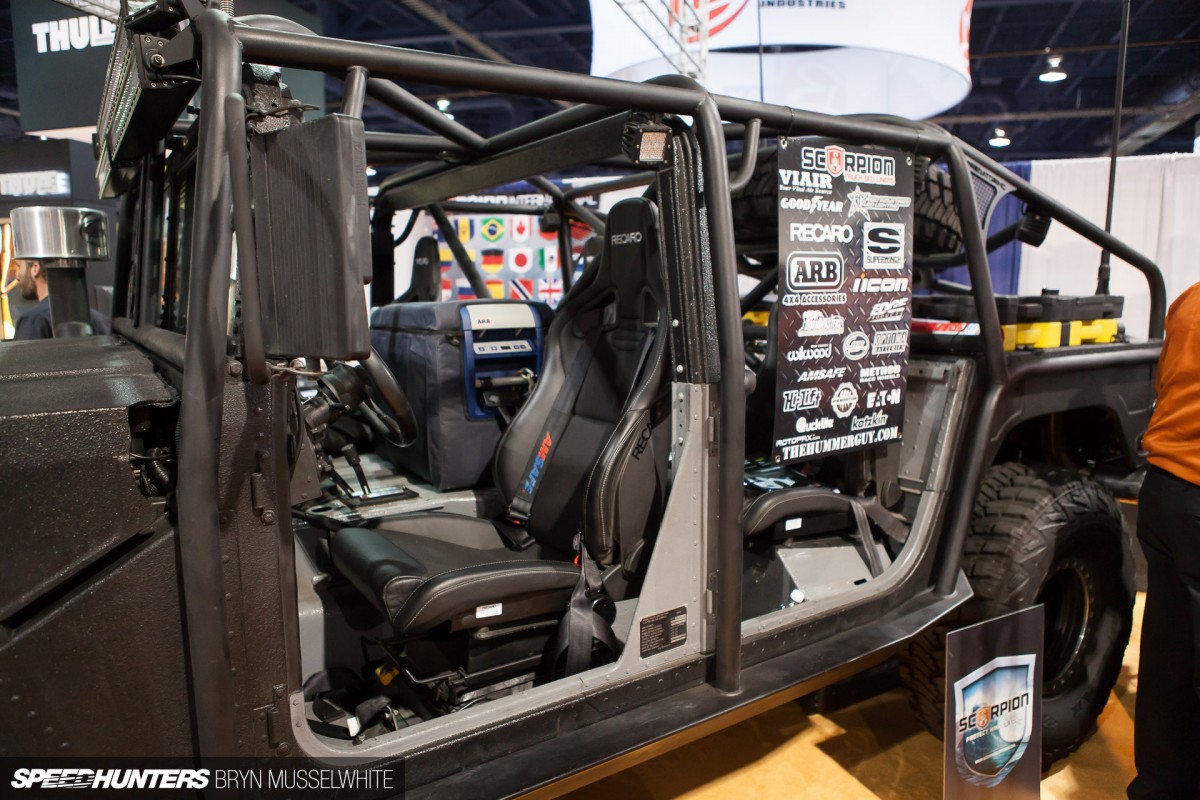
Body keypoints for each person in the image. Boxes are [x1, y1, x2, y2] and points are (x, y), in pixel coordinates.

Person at [1128, 282, 1200, 800]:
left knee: (1169, 655)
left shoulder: (1191, 299)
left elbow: (1167, 381)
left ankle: (1158, 788)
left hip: (1166, 488)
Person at [11, 258, 110, 340]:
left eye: (19, 267)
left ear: (35, 268)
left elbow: (22, 358)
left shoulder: (35, 320)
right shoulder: (101, 319)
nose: (17, 276)